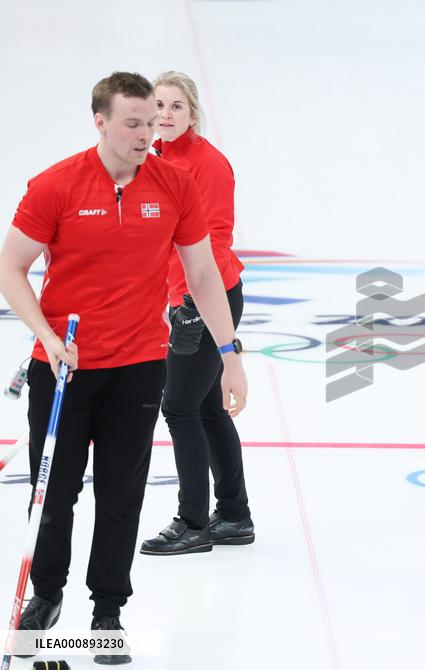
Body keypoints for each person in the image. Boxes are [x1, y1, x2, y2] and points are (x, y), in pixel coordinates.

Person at [0, 72, 247, 664]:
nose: (147, 132)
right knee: (55, 494)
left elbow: (205, 274)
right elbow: (11, 268)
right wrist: (46, 336)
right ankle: (46, 597)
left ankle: (107, 611)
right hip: (62, 368)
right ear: (101, 121)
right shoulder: (55, 184)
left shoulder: (175, 184)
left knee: (121, 495)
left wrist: (230, 354)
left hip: (138, 365)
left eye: (151, 121)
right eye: (134, 122)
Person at [140, 71, 253, 557]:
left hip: (206, 301)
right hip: (182, 299)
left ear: (193, 113)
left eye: (176, 107)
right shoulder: (156, 158)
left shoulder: (204, 164)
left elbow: (214, 241)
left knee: (180, 407)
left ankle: (193, 522)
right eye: (158, 106)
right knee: (204, 409)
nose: (165, 115)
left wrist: (188, 305)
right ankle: (233, 515)